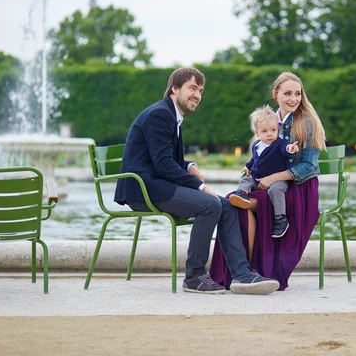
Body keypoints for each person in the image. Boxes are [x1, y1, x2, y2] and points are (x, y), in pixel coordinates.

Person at [114, 67, 279, 295]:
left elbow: (165, 159)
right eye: (192, 88)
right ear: (174, 88)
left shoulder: (172, 116)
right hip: (144, 189)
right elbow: (162, 165)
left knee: (228, 205)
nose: (197, 95)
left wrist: (189, 165)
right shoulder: (160, 114)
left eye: (200, 91)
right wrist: (202, 187)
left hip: (157, 184)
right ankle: (194, 276)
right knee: (210, 204)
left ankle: (242, 275)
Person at [210, 71, 327, 290]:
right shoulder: (269, 120)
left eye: (298, 93)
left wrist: (273, 177)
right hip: (269, 183)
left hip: (298, 188)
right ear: (276, 94)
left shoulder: (307, 121)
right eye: (288, 93)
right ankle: (244, 271)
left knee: (255, 203)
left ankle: (250, 270)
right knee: (231, 203)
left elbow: (309, 166)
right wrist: (248, 168)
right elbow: (262, 152)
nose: (294, 98)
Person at [229, 105, 299, 238]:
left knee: (276, 189)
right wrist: (247, 167)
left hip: (276, 180)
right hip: (257, 179)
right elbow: (254, 159)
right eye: (265, 131)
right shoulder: (256, 145)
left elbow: (285, 150)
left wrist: (291, 148)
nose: (269, 134)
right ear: (257, 133)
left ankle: (281, 219)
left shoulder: (280, 144)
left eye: (273, 130)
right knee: (246, 180)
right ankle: (242, 194)